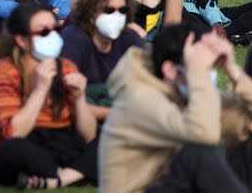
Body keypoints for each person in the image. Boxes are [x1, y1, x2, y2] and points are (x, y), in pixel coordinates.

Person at [98, 24, 249, 193]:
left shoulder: (186, 94)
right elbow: (204, 134)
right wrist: (198, 73)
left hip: (169, 183)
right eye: (200, 66)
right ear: (170, 70)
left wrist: (233, 70)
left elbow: (246, 120)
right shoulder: (139, 98)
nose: (207, 76)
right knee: (197, 154)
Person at [0, 2, 97, 189]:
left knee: (109, 138)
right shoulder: (4, 71)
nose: (54, 36)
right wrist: (40, 90)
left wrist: (80, 98)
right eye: (44, 32)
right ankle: (76, 171)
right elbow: (13, 134)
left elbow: (89, 136)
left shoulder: (65, 67)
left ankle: (57, 179)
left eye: (56, 29)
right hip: (10, 144)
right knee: (18, 151)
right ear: (21, 40)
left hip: (55, 140)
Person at [61, 0, 144, 121]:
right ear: (91, 12)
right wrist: (116, 114)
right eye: (109, 10)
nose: (116, 16)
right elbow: (67, 103)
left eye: (122, 10)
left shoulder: (130, 38)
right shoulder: (73, 38)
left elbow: (147, 87)